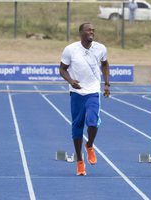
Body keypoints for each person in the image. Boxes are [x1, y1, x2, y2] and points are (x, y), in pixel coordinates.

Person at [59, 22, 110, 176]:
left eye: (93, 30)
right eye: (88, 30)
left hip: (93, 90)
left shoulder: (100, 48)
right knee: (77, 127)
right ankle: (80, 161)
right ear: (81, 32)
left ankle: (90, 145)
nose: (91, 32)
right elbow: (62, 69)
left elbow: (105, 64)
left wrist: (107, 84)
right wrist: (70, 81)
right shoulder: (70, 49)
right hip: (76, 93)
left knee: (93, 121)